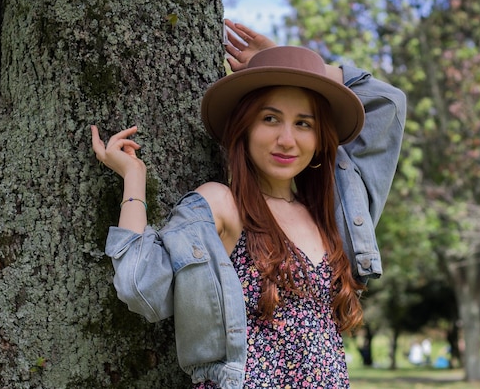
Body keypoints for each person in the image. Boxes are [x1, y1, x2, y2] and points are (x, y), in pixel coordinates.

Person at [91, 19, 406, 388]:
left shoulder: (333, 214)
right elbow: (139, 288)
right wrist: (133, 178)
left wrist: (292, 64)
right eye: (270, 118)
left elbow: (388, 102)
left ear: (321, 139)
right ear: (245, 128)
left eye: (303, 124)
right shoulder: (223, 206)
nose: (286, 139)